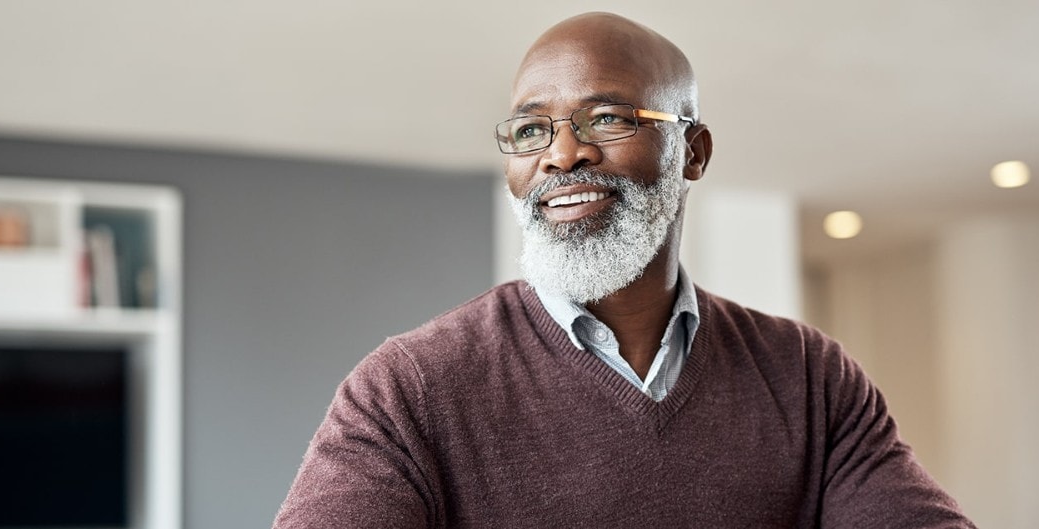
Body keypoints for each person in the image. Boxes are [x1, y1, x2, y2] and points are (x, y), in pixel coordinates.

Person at [274, 12, 974, 528]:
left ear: (692, 152)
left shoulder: (808, 375)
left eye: (605, 118)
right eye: (530, 129)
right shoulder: (407, 388)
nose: (561, 154)